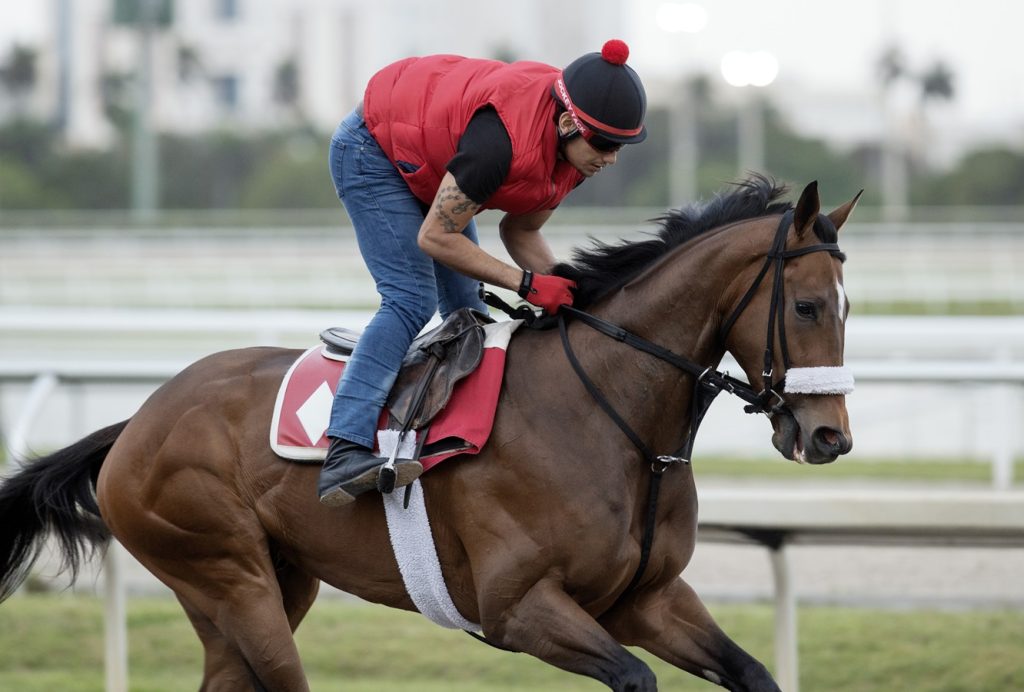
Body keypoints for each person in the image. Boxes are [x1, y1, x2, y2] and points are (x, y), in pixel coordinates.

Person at [319, 39, 648, 506]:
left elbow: (522, 232)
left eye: (621, 147)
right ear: (567, 122)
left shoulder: (577, 155)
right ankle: (345, 450)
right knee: (411, 299)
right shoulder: (498, 145)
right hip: (374, 148)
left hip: (435, 157)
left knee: (468, 316)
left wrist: (569, 291)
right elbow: (435, 237)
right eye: (605, 145)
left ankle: (456, 449)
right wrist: (528, 284)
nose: (611, 158)